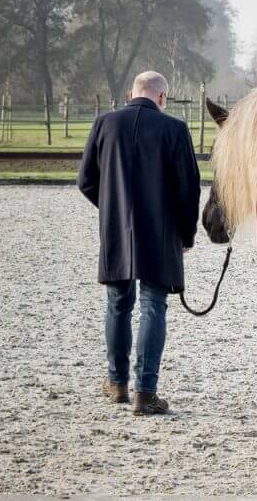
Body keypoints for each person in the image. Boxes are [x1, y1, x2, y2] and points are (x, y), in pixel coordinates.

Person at [77, 71, 201, 415]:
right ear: (162, 98)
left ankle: (117, 384)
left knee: (117, 303)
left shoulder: (105, 123)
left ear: (131, 93)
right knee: (153, 305)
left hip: (116, 229)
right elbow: (189, 190)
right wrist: (186, 233)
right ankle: (146, 392)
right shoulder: (174, 129)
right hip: (161, 232)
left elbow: (85, 180)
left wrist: (113, 209)